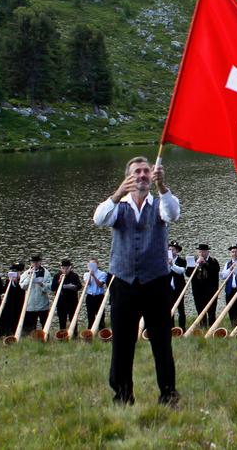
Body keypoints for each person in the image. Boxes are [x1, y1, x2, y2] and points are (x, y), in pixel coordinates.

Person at [92, 156, 181, 406]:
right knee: (122, 341)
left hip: (156, 281)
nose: (142, 175)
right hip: (123, 282)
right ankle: (122, 394)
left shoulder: (160, 203)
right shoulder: (117, 206)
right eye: (137, 172)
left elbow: (173, 214)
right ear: (128, 177)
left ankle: (168, 393)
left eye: (146, 171)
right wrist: (119, 191)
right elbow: (98, 219)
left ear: (152, 176)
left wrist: (163, 187)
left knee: (161, 340)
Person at [189, 244, 220, 328]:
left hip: (211, 291)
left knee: (211, 311)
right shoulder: (193, 261)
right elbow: (188, 274)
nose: (201, 253)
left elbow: (215, 271)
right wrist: (195, 265)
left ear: (207, 252)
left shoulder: (213, 261)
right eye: (199, 251)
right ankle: (203, 328)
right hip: (198, 291)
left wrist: (205, 263)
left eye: (203, 251)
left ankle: (212, 328)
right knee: (200, 311)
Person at [20, 255, 51, 335]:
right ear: (31, 263)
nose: (35, 264)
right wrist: (29, 278)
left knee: (45, 325)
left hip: (43, 305)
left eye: (37, 262)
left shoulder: (46, 273)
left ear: (40, 262)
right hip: (30, 305)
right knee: (30, 327)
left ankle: (46, 339)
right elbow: (23, 286)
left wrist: (42, 284)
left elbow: (50, 288)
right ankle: (30, 341)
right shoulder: (26, 273)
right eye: (33, 262)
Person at [51, 259, 82, 332]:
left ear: (70, 267)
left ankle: (74, 335)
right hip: (61, 302)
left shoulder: (74, 275)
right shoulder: (57, 276)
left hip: (72, 301)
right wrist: (59, 281)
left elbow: (79, 286)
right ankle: (62, 336)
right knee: (62, 320)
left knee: (73, 320)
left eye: (67, 268)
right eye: (63, 268)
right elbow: (52, 288)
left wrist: (74, 287)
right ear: (60, 268)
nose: (65, 270)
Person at [0, 263, 25, 337]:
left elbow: (22, 290)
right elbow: (4, 290)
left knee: (17, 319)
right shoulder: (8, 281)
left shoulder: (22, 280)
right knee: (7, 319)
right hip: (10, 304)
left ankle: (18, 334)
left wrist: (17, 282)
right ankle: (7, 334)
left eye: (16, 271)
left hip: (19, 304)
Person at [166, 242, 187, 329]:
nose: (171, 251)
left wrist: (172, 265)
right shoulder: (164, 261)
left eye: (173, 250)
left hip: (179, 288)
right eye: (169, 250)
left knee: (181, 309)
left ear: (177, 251)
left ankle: (182, 328)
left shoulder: (182, 261)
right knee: (170, 309)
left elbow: (181, 271)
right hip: (168, 288)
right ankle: (171, 327)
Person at [85, 258, 109, 329]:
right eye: (90, 264)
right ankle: (90, 333)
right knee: (90, 316)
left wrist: (94, 276)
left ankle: (102, 332)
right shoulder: (86, 274)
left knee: (101, 316)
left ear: (97, 265)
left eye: (93, 264)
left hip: (99, 297)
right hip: (90, 297)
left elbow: (100, 285)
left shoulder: (102, 274)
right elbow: (87, 283)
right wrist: (90, 274)